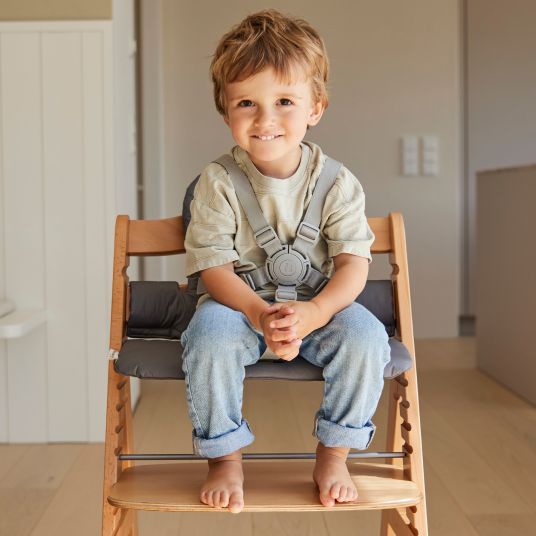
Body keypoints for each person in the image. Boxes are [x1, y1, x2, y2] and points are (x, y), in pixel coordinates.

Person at [180, 8, 390, 513]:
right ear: (225, 110)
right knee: (208, 337)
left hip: (319, 310)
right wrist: (256, 312)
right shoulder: (218, 182)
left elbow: (353, 266)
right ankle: (224, 456)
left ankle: (335, 452)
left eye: (285, 101)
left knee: (367, 337)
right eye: (247, 102)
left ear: (316, 107)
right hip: (239, 308)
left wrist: (317, 313)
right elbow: (214, 269)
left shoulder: (338, 182)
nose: (265, 119)